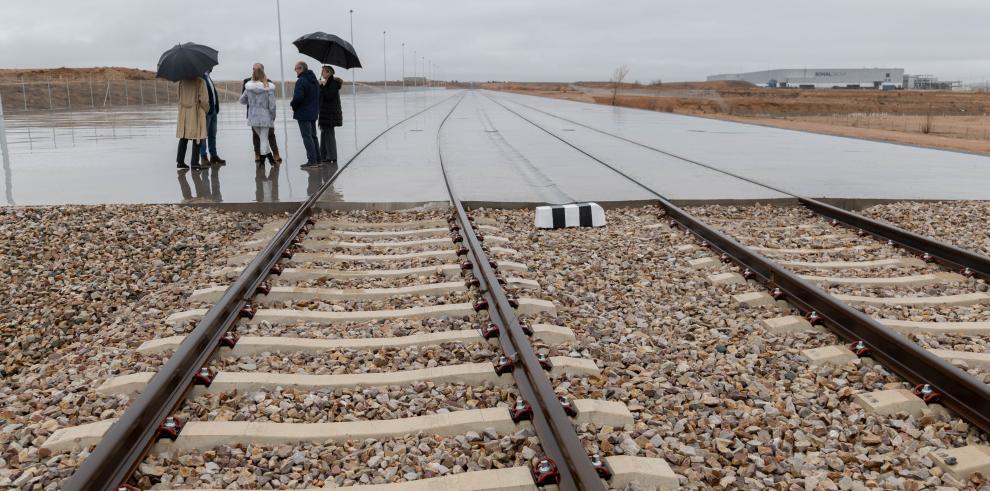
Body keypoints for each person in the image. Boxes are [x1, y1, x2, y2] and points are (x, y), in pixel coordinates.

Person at [242, 63, 282, 164]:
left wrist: (252, 102)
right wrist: (273, 115)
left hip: (253, 116)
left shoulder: (250, 85)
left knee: (266, 136)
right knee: (262, 138)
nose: (254, 70)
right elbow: (272, 105)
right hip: (265, 116)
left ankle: (271, 157)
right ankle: (264, 159)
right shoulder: (267, 86)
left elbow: (242, 100)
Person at [290, 61, 321, 168]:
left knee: (307, 137)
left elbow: (298, 97)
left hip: (303, 113)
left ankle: (312, 161)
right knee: (313, 136)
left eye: (296, 69)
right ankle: (318, 159)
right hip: (313, 112)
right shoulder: (314, 81)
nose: (295, 71)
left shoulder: (301, 81)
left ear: (301, 68)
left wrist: (293, 104)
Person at [175, 76, 209, 169]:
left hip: (183, 111)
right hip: (196, 111)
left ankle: (180, 161)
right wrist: (206, 110)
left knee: (183, 136)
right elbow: (204, 100)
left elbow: (179, 96)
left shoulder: (181, 81)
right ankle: (194, 163)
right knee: (198, 136)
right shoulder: (200, 81)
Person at [198, 69, 226, 166]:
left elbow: (213, 93)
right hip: (207, 111)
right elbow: (202, 96)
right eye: (210, 66)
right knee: (203, 135)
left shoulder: (207, 77)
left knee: (212, 134)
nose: (212, 67)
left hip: (213, 110)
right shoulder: (201, 77)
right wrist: (207, 108)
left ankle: (213, 156)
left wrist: (216, 107)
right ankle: (203, 157)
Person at [318, 65, 343, 165]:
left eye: (323, 71)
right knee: (324, 134)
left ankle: (331, 156)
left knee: (329, 135)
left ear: (329, 73)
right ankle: (323, 155)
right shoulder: (329, 83)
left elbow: (329, 96)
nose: (322, 73)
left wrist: (321, 86)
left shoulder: (333, 83)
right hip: (326, 113)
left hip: (330, 114)